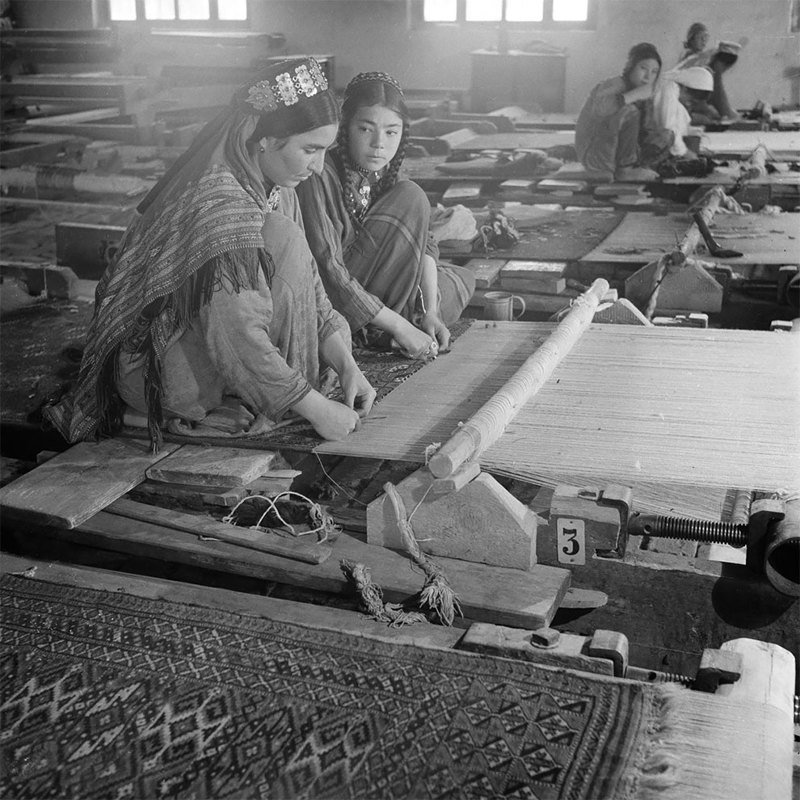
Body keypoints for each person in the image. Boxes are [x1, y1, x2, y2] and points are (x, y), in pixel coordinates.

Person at [44, 57, 376, 450]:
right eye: (310, 150)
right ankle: (156, 410)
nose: (319, 167)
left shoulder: (277, 185)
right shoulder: (220, 201)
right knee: (281, 241)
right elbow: (237, 334)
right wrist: (318, 411)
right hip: (153, 367)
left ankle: (257, 393)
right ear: (265, 139)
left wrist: (348, 366)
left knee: (304, 276)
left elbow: (312, 292)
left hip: (208, 337)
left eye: (324, 151)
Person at [296, 71, 475, 357]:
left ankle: (407, 321)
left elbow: (425, 243)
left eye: (391, 132)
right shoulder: (320, 174)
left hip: (379, 288)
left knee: (460, 279)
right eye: (365, 129)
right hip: (335, 295)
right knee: (412, 196)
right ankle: (385, 328)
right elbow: (329, 270)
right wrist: (401, 326)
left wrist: (431, 310)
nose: (379, 143)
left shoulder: (386, 171)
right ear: (345, 127)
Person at [574, 42, 674, 183]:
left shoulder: (644, 92)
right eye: (643, 68)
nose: (647, 77)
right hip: (594, 155)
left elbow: (646, 130)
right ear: (631, 67)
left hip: (617, 153)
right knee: (630, 111)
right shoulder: (615, 83)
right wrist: (632, 96)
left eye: (654, 72)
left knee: (666, 134)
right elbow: (600, 109)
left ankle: (636, 167)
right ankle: (625, 171)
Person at [677, 23, 742, 122]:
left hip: (700, 99)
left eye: (706, 37)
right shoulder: (688, 55)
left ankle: (725, 110)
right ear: (691, 39)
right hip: (691, 100)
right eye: (700, 37)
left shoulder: (700, 57)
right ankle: (725, 111)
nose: (703, 40)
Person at [653, 65, 714, 158]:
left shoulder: (676, 91)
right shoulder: (669, 88)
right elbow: (668, 128)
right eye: (690, 101)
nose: (688, 105)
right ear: (685, 89)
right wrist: (686, 153)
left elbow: (682, 125)